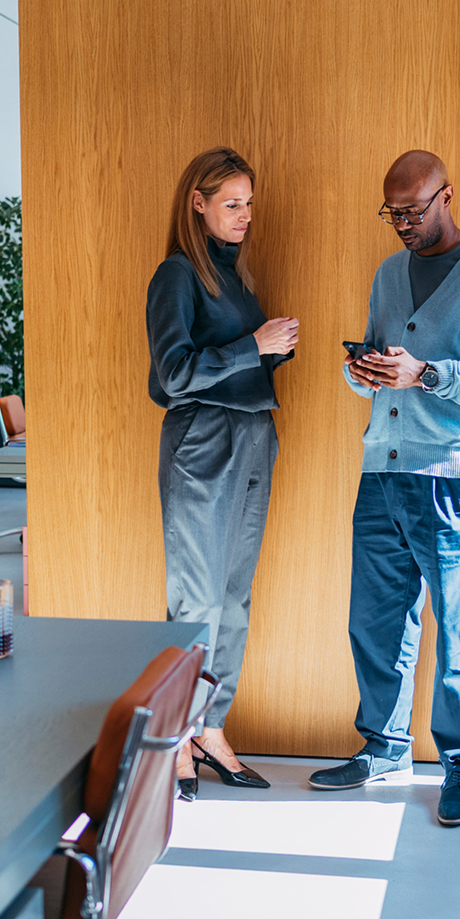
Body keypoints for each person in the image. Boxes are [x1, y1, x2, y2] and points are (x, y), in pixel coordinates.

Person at [308, 150, 460, 827]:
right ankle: (383, 749)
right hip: (382, 470)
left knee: (458, 634)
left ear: (446, 196)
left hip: (455, 480)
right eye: (392, 213)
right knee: (375, 622)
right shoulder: (387, 274)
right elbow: (385, 368)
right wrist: (366, 372)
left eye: (412, 211)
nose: (402, 224)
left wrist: (430, 375)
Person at [147, 147, 299, 800]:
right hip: (203, 437)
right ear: (198, 205)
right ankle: (177, 737)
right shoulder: (177, 275)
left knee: (234, 598)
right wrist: (254, 346)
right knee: (196, 600)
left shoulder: (237, 279)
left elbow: (238, 364)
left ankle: (211, 727)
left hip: (254, 435)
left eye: (248, 204)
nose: (243, 216)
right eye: (231, 203)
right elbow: (172, 375)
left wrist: (272, 355)